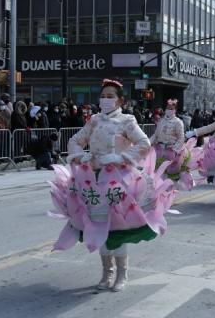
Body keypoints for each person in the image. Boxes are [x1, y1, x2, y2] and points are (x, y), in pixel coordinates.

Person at [53, 78, 173, 293]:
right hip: (94, 177)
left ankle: (121, 274)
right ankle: (106, 272)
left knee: (118, 227)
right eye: (103, 96)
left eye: (111, 96)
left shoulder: (127, 121)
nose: (106, 100)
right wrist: (80, 155)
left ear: (119, 101)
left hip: (120, 178)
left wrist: (121, 158)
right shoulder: (94, 121)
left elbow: (144, 143)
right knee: (99, 226)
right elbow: (74, 141)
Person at [150, 99, 196, 190]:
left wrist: (175, 149)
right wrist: (148, 142)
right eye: (167, 108)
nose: (169, 110)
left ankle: (169, 194)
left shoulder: (178, 122)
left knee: (170, 176)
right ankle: (162, 194)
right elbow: (155, 135)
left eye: (171, 108)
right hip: (160, 150)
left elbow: (181, 138)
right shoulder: (161, 121)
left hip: (172, 151)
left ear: (175, 110)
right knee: (159, 174)